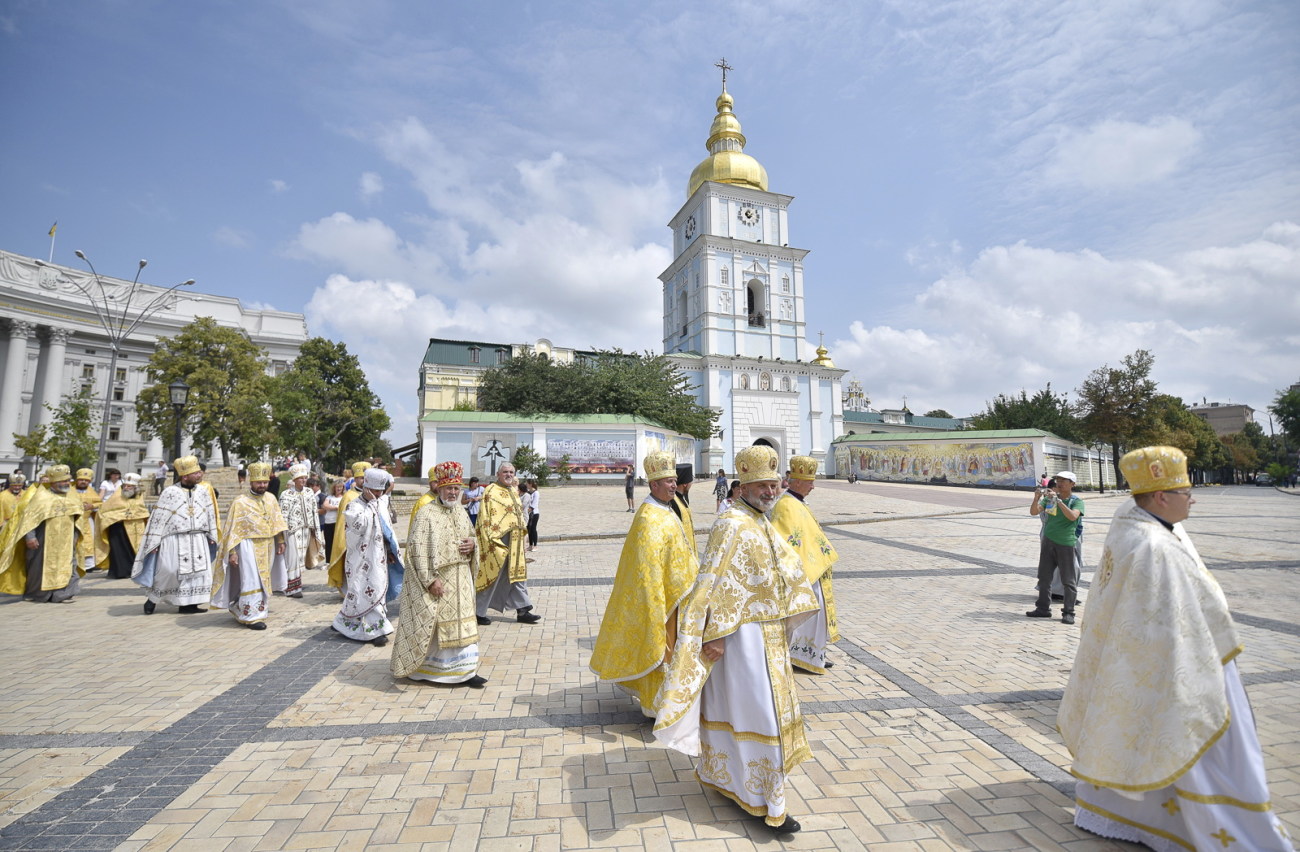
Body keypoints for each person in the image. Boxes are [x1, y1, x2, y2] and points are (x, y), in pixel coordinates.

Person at [1058, 447, 1293, 850]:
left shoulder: (1133, 520)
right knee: (1205, 746)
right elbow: (1172, 621)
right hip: (1181, 663)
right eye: (1186, 490)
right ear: (1162, 496)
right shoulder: (1153, 548)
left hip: (1142, 663)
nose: (1193, 497)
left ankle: (1139, 815)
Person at [654, 445, 819, 834]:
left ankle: (732, 781)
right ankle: (767, 801)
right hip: (739, 641)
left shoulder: (760, 520)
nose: (771, 491)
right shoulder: (731, 524)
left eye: (775, 484)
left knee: (746, 712)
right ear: (744, 485)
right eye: (763, 484)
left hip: (767, 636)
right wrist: (715, 636)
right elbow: (712, 583)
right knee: (761, 715)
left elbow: (782, 568)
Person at [589, 451, 699, 716]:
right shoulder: (648, 516)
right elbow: (646, 568)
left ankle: (673, 703)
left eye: (674, 480)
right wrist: (655, 603)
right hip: (663, 600)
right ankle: (658, 707)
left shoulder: (666, 509)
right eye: (668, 481)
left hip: (678, 595)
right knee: (663, 652)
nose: (674, 485)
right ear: (653, 485)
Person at [391, 461, 486, 687]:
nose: (453, 492)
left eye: (456, 488)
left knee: (463, 625)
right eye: (448, 488)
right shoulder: (426, 514)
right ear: (440, 489)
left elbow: (473, 536)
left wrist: (473, 545)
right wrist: (429, 580)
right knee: (435, 626)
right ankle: (431, 670)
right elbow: (416, 551)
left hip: (461, 578)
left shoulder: (461, 511)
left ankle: (466, 671)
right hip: (439, 580)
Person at [770, 456, 840, 674]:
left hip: (813, 571)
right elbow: (786, 540)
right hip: (803, 574)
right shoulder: (786, 505)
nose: (813, 486)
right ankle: (801, 656)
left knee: (816, 614)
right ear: (797, 482)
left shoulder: (797, 502)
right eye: (809, 482)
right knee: (807, 614)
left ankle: (813, 654)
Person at [131, 456, 219, 615]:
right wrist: (154, 543)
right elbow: (158, 519)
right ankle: (152, 599)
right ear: (185, 476)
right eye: (196, 473)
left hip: (198, 538)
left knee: (199, 573)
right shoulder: (170, 492)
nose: (200, 475)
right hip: (174, 539)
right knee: (170, 571)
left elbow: (210, 514)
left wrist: (212, 535)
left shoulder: (204, 491)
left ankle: (189, 605)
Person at [212, 462, 288, 630]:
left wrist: (280, 540)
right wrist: (232, 552)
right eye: (259, 482)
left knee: (263, 580)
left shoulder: (271, 498)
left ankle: (249, 608)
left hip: (268, 544)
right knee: (251, 580)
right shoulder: (240, 502)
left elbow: (277, 521)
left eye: (265, 482)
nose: (262, 485)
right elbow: (232, 530)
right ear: (251, 481)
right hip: (248, 547)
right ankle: (250, 615)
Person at [0, 464, 84, 602]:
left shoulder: (72, 496)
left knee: (68, 565)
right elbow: (29, 519)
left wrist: (76, 536)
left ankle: (63, 594)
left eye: (68, 480)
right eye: (62, 481)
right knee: (39, 568)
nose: (66, 483)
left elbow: (77, 519)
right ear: (53, 482)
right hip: (43, 538)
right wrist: (30, 537)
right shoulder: (41, 497)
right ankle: (39, 595)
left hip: (66, 539)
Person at [334, 467, 398, 646]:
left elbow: (385, 529)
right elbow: (359, 526)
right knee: (361, 589)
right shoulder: (354, 505)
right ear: (367, 488)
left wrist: (389, 550)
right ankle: (374, 630)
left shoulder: (380, 503)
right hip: (360, 558)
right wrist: (370, 504)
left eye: (380, 491)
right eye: (375, 491)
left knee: (376, 588)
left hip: (378, 556)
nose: (378, 494)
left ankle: (349, 623)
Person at [475, 462, 541, 625]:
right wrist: (490, 539)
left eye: (511, 472)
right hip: (498, 540)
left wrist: (524, 538)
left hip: (516, 540)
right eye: (505, 472)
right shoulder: (491, 490)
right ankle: (478, 611)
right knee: (494, 574)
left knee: (518, 574)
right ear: (498, 474)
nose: (509, 475)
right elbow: (484, 517)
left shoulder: (513, 490)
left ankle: (523, 609)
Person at [1025, 470, 1084, 624]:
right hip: (1048, 541)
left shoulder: (1076, 501)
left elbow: (1072, 516)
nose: (1060, 483)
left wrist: (1059, 502)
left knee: (1068, 580)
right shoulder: (1050, 500)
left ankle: (1068, 612)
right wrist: (1037, 498)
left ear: (1072, 484)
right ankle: (1043, 608)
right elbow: (1033, 512)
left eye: (1064, 480)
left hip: (1066, 543)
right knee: (1044, 578)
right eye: (1058, 480)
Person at [276, 463, 324, 598]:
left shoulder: (309, 492)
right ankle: (292, 588)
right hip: (292, 531)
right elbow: (283, 515)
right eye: (300, 478)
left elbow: (314, 511)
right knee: (293, 558)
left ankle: (297, 585)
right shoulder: (286, 494)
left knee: (301, 558)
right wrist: (281, 536)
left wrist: (315, 529)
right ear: (294, 479)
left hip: (306, 529)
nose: (303, 480)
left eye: (304, 478)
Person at [327, 461, 371, 596]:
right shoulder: (348, 497)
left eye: (366, 478)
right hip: (353, 540)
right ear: (355, 479)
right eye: (361, 478)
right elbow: (342, 523)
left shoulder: (373, 494)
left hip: (369, 538)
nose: (363, 481)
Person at [95, 473, 150, 579]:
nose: (126, 488)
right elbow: (104, 511)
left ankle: (134, 570)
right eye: (125, 485)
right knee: (119, 551)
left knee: (135, 549)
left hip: (136, 528)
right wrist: (116, 517)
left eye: (130, 486)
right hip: (119, 528)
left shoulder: (139, 497)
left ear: (136, 487)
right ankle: (120, 571)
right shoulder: (116, 497)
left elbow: (142, 511)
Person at [72, 468, 102, 572]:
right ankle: (74, 563)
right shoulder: (70, 490)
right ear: (77, 480)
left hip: (87, 520)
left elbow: (100, 503)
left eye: (86, 480)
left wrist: (92, 505)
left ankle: (88, 565)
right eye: (81, 479)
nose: (83, 482)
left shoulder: (91, 492)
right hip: (72, 520)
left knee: (88, 541)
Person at [320, 480, 344, 563]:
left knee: (338, 543)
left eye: (340, 487)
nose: (339, 488)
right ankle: (328, 561)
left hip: (338, 523)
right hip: (328, 522)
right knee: (329, 542)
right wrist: (336, 508)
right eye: (337, 487)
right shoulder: (329, 497)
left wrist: (331, 507)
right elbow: (325, 505)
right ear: (334, 488)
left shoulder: (343, 497)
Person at [672, 463, 695, 539]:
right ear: (685, 484)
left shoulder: (682, 497)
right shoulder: (673, 502)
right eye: (691, 482)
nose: (691, 484)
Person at [524, 480, 540, 552]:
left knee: (533, 529)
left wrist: (528, 510)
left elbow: (534, 504)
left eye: (527, 484)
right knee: (528, 529)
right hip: (528, 513)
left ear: (530, 484)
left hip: (534, 513)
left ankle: (535, 545)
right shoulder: (527, 492)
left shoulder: (536, 493)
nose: (526, 485)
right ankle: (530, 545)